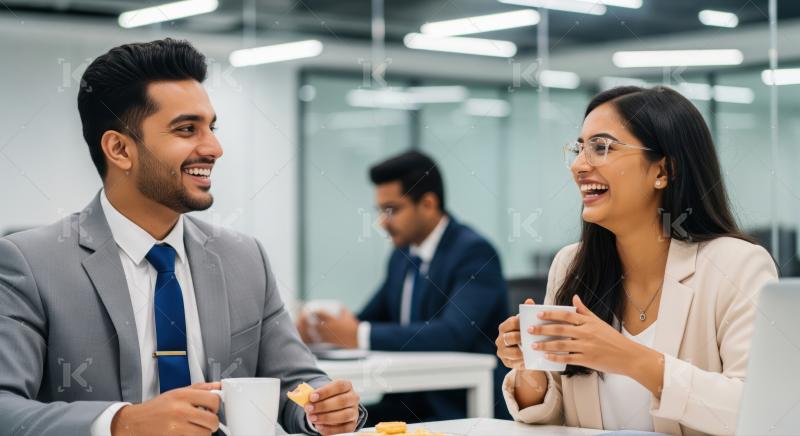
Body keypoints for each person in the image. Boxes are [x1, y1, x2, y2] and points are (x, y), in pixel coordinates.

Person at [0, 39, 366, 436]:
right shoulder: (30, 264)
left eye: (212, 128)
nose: (214, 148)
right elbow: (5, 407)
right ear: (120, 149)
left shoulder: (244, 257)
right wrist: (121, 423)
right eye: (187, 129)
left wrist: (323, 408)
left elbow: (295, 384)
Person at [496, 86, 777, 435]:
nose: (579, 166)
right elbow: (558, 417)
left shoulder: (738, 265)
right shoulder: (570, 264)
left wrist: (629, 358)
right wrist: (531, 372)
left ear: (663, 170)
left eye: (601, 147)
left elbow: (761, 412)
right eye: (579, 148)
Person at [297, 151, 510, 422]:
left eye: (392, 210)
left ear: (428, 204)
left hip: (459, 405)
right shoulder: (402, 255)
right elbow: (369, 317)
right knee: (328, 425)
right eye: (380, 211)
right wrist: (324, 331)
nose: (382, 222)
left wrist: (358, 335)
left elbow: (454, 332)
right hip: (407, 401)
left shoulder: (474, 252)